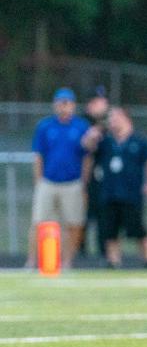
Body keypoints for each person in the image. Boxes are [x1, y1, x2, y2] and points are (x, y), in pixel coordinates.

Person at [84, 107, 147, 269]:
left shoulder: (139, 141)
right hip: (109, 192)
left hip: (131, 194)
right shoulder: (105, 141)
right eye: (110, 118)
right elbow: (87, 149)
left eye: (115, 117)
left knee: (138, 229)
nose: (112, 121)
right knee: (110, 231)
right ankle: (113, 261)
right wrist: (92, 135)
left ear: (126, 119)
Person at [27, 88, 90, 270]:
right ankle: (32, 261)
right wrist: (38, 180)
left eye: (67, 103)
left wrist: (84, 182)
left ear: (73, 105)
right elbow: (38, 155)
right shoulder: (45, 126)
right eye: (60, 103)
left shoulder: (80, 127)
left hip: (72, 182)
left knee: (73, 224)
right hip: (48, 181)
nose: (63, 107)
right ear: (55, 105)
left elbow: (87, 157)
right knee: (39, 222)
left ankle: (67, 262)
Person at [80, 87, 110, 259]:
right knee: (82, 218)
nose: (103, 105)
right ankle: (80, 253)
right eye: (98, 102)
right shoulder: (82, 124)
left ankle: (103, 253)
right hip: (85, 180)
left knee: (103, 218)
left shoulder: (109, 125)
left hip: (103, 181)